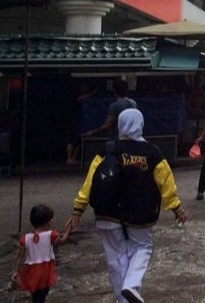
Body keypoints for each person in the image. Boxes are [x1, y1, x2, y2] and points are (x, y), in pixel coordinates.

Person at [65, 108, 187, 303]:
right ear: (140, 124)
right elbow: (166, 184)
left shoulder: (107, 149)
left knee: (116, 259)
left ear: (120, 124)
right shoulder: (152, 152)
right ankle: (131, 285)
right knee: (142, 248)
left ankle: (123, 300)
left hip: (107, 213)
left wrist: (78, 209)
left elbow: (90, 181)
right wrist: (176, 208)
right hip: (140, 214)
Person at [12, 204, 63, 303]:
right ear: (47, 222)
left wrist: (16, 271)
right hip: (44, 271)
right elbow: (62, 241)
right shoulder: (51, 235)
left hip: (31, 272)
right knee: (42, 294)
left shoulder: (25, 238)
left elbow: (19, 256)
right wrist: (68, 229)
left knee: (36, 295)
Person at [68, 83, 96, 165]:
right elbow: (79, 99)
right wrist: (91, 94)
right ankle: (69, 158)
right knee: (72, 140)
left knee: (80, 141)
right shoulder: (76, 97)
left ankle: (73, 158)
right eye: (83, 87)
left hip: (81, 122)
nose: (85, 89)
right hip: (74, 121)